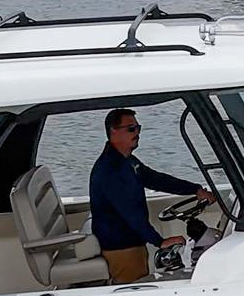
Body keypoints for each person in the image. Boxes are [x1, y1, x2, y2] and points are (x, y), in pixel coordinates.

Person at [88, 108, 212, 283]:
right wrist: (159, 242)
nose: (137, 133)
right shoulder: (110, 170)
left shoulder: (128, 161)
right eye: (131, 129)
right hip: (122, 248)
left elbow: (156, 180)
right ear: (113, 131)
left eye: (138, 128)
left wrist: (196, 190)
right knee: (132, 294)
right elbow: (130, 212)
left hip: (132, 243)